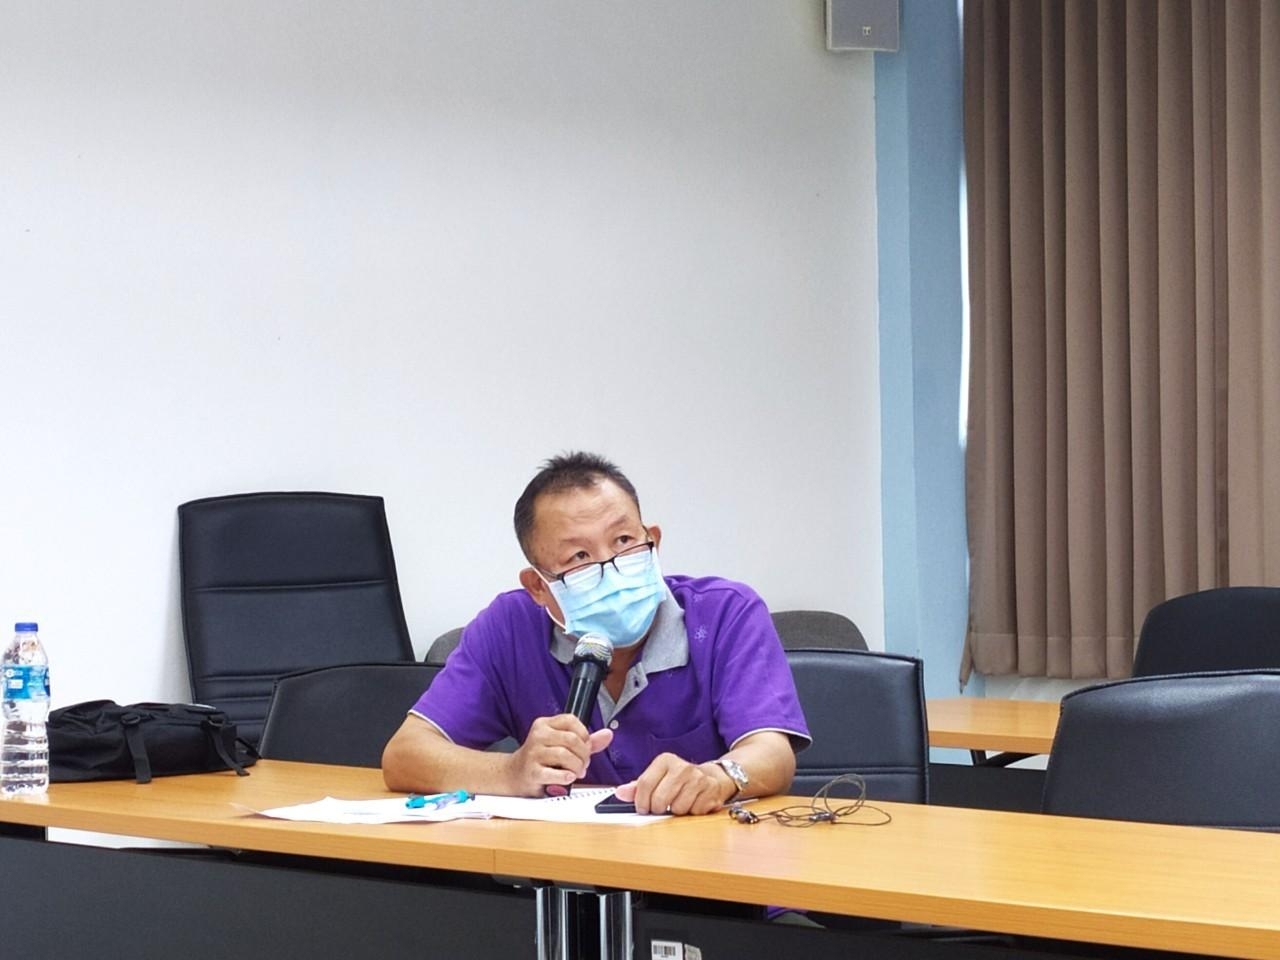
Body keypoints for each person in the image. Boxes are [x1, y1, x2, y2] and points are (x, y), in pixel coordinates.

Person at [383, 452, 810, 815]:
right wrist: (511, 771)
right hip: (568, 874)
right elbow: (404, 756)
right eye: (579, 557)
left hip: (708, 874)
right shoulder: (508, 628)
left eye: (624, 540)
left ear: (653, 543)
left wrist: (716, 777)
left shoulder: (725, 613)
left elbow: (772, 753)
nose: (611, 567)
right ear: (538, 587)